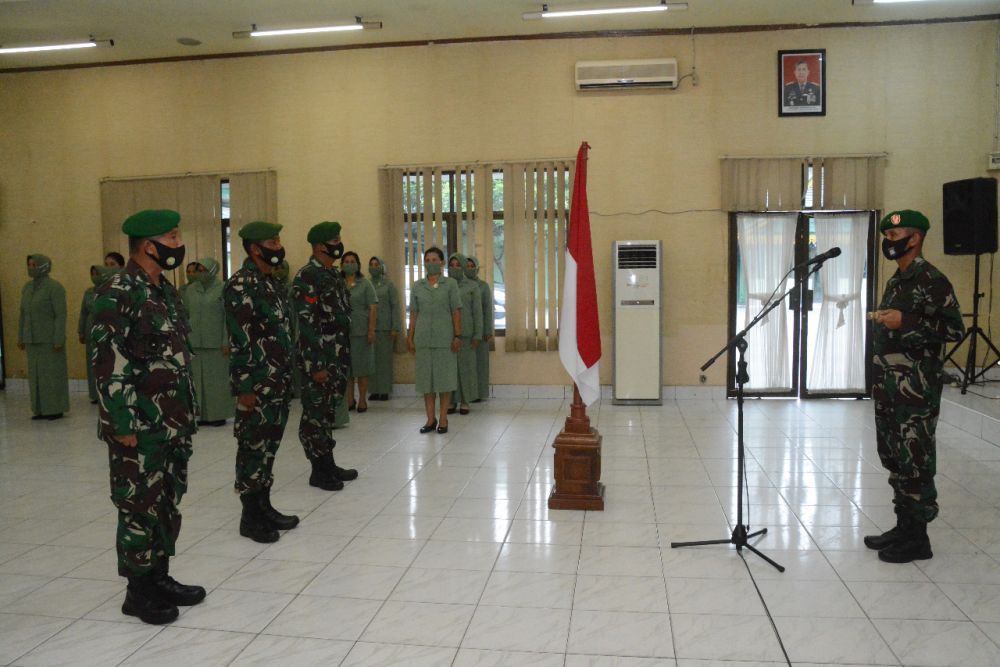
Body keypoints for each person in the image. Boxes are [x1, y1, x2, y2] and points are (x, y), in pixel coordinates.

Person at [91, 209, 205, 625]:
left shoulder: (164, 292)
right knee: (139, 506)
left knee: (166, 502)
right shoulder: (118, 291)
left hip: (171, 423)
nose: (179, 243)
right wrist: (121, 424)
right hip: (138, 425)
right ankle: (137, 592)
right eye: (172, 237)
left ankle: (159, 576)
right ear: (148, 245)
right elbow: (107, 361)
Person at [866, 209, 965, 563]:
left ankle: (918, 539)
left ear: (916, 238)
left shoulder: (931, 279)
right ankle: (903, 526)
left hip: (917, 391)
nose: (888, 243)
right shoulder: (897, 280)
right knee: (895, 458)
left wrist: (904, 320)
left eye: (895, 236)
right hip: (890, 389)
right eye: (887, 237)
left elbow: (954, 330)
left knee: (916, 461)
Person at [224, 221, 299, 543]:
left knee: (269, 446)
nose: (278, 245)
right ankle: (249, 516)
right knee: (252, 447)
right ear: (255, 248)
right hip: (256, 383)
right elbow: (239, 339)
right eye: (272, 241)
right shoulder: (241, 285)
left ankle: (264, 505)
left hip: (277, 380)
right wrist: (244, 386)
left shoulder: (272, 283)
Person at [290, 221, 358, 491]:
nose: (339, 243)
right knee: (315, 415)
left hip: (336, 356)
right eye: (335, 239)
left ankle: (328, 463)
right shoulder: (308, 276)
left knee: (327, 412)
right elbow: (306, 325)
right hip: (319, 359)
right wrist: (315, 365)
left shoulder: (332, 274)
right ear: (320, 246)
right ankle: (318, 471)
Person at [407, 247, 462, 434]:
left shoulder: (451, 284)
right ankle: (430, 419)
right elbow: (414, 313)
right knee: (426, 382)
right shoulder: (417, 286)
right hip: (423, 339)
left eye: (434, 259)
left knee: (443, 381)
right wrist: (410, 335)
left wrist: (457, 335)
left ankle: (444, 418)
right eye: (427, 260)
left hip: (444, 338)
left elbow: (456, 311)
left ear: (442, 262)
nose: (431, 263)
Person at [182, 258, 233, 427]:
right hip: (195, 342)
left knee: (216, 381)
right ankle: (201, 415)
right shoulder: (191, 290)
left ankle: (217, 415)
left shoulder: (224, 288)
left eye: (204, 269)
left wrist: (226, 341)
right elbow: (185, 315)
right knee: (198, 381)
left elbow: (228, 317)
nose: (200, 273)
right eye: (199, 270)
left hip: (216, 343)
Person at [18, 254, 69, 420]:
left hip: (49, 339)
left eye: (34, 264)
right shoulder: (27, 288)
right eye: (29, 264)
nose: (30, 268)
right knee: (36, 377)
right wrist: (21, 336)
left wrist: (58, 338)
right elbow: (23, 314)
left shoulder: (55, 288)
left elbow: (60, 315)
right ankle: (39, 409)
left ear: (44, 266)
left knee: (52, 375)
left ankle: (55, 408)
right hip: (32, 339)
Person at [448, 252, 482, 415]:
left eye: (458, 265)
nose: (455, 268)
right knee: (450, 369)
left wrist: (477, 335)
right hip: (447, 334)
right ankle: (451, 401)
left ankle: (465, 401)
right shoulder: (445, 285)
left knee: (466, 369)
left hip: (467, 335)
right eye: (451, 265)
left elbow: (477, 312)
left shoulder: (472, 286)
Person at [343, 251, 377, 412]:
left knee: (362, 368)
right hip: (343, 332)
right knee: (348, 369)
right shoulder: (338, 282)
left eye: (352, 261)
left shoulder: (365, 284)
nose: (349, 264)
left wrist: (371, 330)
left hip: (361, 331)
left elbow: (372, 307)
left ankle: (362, 400)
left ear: (358, 264)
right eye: (346, 262)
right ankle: (350, 400)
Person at [78, 264, 118, 403]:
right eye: (92, 274)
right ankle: (94, 394)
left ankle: (107, 392)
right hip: (90, 332)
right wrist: (81, 331)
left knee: (106, 362)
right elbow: (83, 313)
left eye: (97, 274)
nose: (95, 277)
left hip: (106, 332)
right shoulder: (89, 292)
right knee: (92, 364)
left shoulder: (110, 290)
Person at [368, 256, 401, 401]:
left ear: (382, 266)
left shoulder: (389, 285)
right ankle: (374, 390)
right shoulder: (367, 284)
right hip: (370, 328)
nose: (374, 267)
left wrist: (395, 327)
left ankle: (384, 390)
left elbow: (395, 306)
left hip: (386, 328)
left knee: (384, 361)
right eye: (371, 264)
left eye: (377, 264)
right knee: (372, 361)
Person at [465, 256, 494, 403]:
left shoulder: (483, 286)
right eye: (467, 266)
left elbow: (488, 309)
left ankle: (478, 393)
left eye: (472, 266)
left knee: (480, 364)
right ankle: (466, 393)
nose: (469, 268)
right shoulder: (459, 285)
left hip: (481, 331)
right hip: (465, 331)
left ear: (476, 268)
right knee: (466, 365)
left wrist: (488, 330)